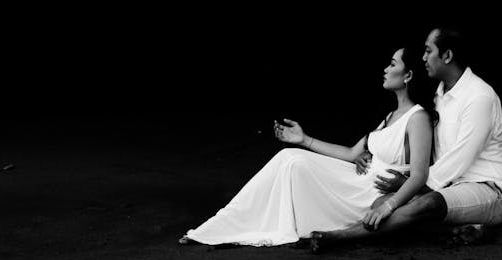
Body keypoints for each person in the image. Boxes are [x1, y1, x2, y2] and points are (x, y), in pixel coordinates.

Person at [179, 45, 433, 246]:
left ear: (408, 75)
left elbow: (419, 175)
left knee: (292, 161)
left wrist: (390, 205)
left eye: (392, 64)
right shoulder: (390, 117)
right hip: (356, 181)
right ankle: (223, 222)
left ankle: (227, 224)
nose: (385, 69)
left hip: (370, 193)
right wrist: (304, 140)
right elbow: (350, 154)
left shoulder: (418, 118)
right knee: (289, 157)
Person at [309, 26, 502, 251]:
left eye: (428, 51)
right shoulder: (437, 96)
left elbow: (460, 159)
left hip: (489, 190)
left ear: (447, 56)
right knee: (381, 203)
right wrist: (370, 152)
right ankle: (471, 228)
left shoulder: (479, 96)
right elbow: (411, 137)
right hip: (448, 188)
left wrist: (410, 188)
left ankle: (341, 238)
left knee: (422, 204)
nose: (423, 57)